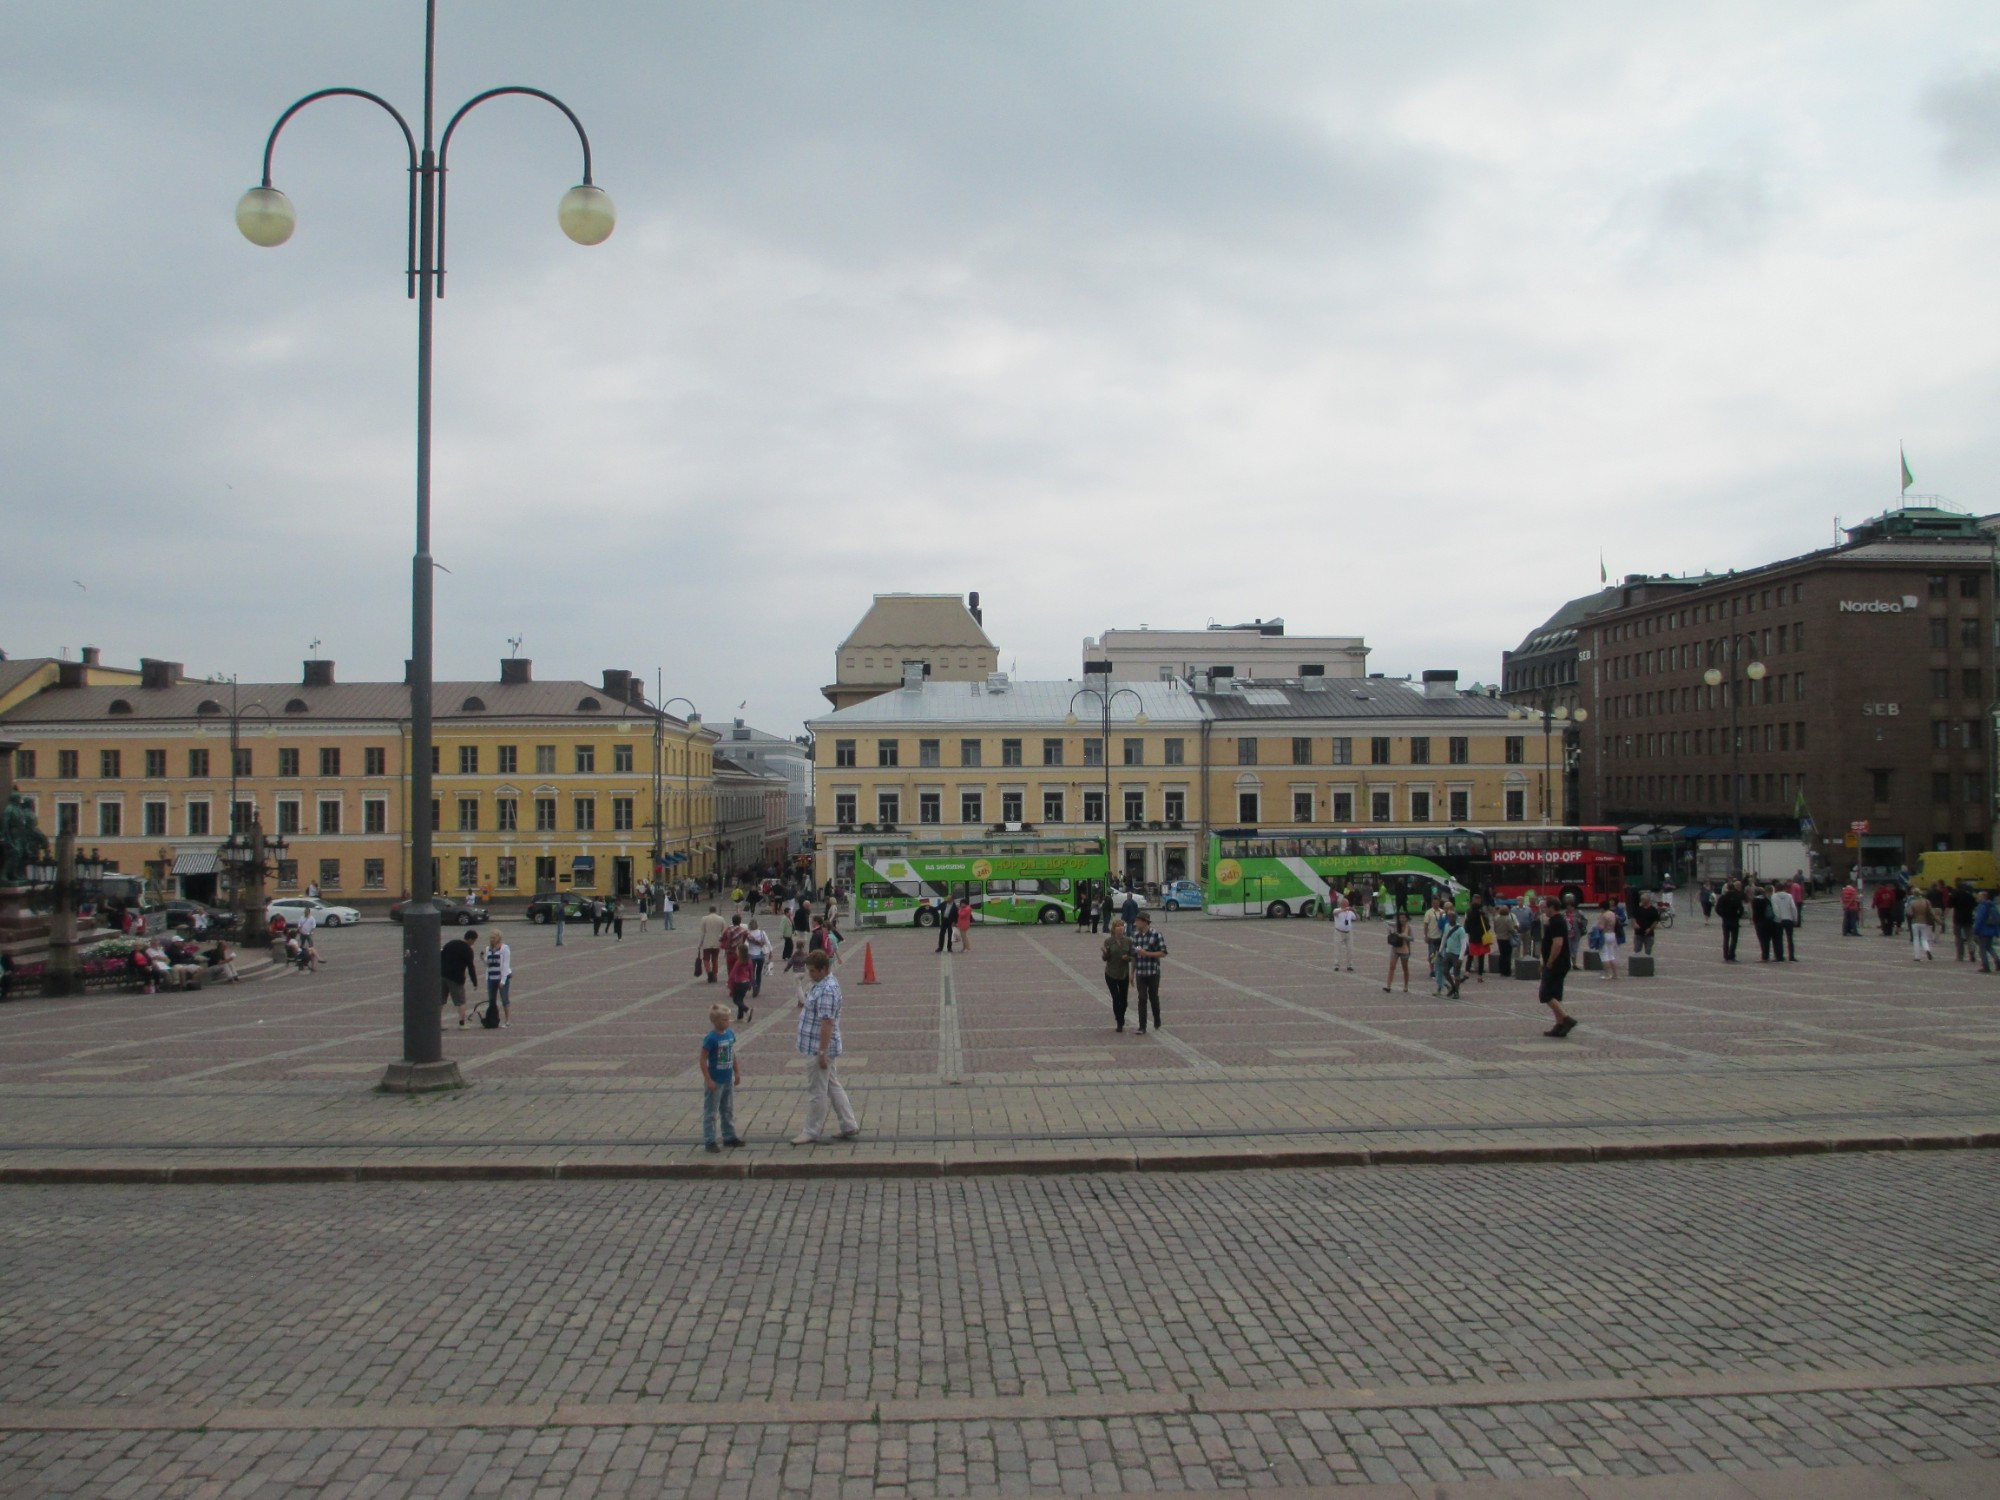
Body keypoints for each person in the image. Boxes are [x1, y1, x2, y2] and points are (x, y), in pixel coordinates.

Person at [792, 951, 860, 1144]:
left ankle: (811, 1131)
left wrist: (822, 1052)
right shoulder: (820, 984)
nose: (810, 974)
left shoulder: (826, 990)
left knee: (817, 1091)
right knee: (832, 1085)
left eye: (813, 970)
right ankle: (849, 1124)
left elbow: (827, 1022)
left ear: (824, 969)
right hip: (817, 1046)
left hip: (819, 1048)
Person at [700, 1002, 745, 1152]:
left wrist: (737, 1072)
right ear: (716, 1021)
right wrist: (708, 1079)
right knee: (711, 1112)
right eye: (725, 1019)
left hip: (727, 1079)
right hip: (715, 1080)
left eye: (728, 1019)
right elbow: (702, 1059)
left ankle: (729, 1136)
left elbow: (732, 1054)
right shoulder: (711, 1038)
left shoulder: (730, 1034)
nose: (728, 1022)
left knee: (727, 1109)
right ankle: (710, 1140)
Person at [1538, 897, 1577, 1037]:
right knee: (1555, 995)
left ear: (1552, 907)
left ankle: (1567, 1019)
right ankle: (1560, 1025)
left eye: (1545, 907)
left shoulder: (1556, 922)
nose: (1543, 909)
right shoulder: (1556, 921)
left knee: (1545, 994)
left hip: (1557, 963)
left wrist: (1549, 962)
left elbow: (1558, 944)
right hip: (1558, 962)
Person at [1130, 912, 1167, 1032]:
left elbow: (1163, 953)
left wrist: (1147, 954)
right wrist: (1132, 973)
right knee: (1142, 998)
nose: (1136, 923)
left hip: (1153, 972)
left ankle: (1157, 1020)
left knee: (1153, 998)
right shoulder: (1135, 936)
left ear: (1144, 922)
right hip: (1140, 973)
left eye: (1138, 921)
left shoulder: (1156, 935)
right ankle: (1142, 1026)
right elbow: (1134, 956)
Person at [1102, 918, 1134, 1031]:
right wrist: (1105, 953)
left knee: (1124, 1000)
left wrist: (1128, 958)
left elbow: (1133, 956)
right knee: (1116, 997)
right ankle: (1119, 1021)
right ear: (1114, 929)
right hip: (1111, 973)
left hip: (1123, 973)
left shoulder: (1128, 941)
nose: (1120, 928)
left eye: (1122, 926)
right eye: (1118, 926)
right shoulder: (1108, 941)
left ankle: (1121, 1015)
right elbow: (1105, 959)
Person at [442, 928, 477, 1026]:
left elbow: (440, 955)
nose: (473, 943)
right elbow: (471, 967)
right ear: (470, 939)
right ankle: (462, 1023)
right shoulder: (468, 950)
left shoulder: (451, 944)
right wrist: (474, 982)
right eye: (474, 941)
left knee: (440, 1000)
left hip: (443, 975)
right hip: (456, 978)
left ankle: (437, 1023)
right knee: (461, 1001)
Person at [484, 930, 513, 1026]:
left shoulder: (505, 948)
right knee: (492, 1000)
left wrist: (503, 980)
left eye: (494, 937)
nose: (492, 940)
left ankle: (508, 1020)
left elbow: (505, 965)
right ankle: (493, 1020)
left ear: (499, 938)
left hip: (501, 977)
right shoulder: (488, 948)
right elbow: (488, 963)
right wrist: (483, 959)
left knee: (504, 999)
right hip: (491, 977)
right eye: (491, 938)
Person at [1437, 914, 1467, 998]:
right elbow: (1444, 938)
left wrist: (1461, 957)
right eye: (1449, 917)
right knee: (1445, 971)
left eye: (1453, 917)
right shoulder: (1446, 926)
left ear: (1456, 918)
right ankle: (1453, 986)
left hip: (1456, 954)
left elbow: (1463, 944)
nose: (1451, 918)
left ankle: (1456, 991)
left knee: (1456, 974)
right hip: (1448, 952)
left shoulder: (1460, 930)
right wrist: (1440, 950)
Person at [1715, 881, 1745, 962]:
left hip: (1726, 920)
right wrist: (1738, 916)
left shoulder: (1723, 897)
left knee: (1726, 938)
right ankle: (1732, 955)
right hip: (1734, 919)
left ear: (1727, 888)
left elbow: (1717, 909)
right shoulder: (1737, 897)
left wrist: (1722, 915)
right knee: (1734, 939)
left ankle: (1726, 955)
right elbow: (1741, 909)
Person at [1463, 898, 1491, 982]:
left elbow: (1466, 928)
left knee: (1470, 956)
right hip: (1481, 939)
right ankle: (1480, 976)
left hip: (1472, 938)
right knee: (1481, 958)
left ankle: (1467, 972)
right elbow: (1487, 926)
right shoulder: (1481, 915)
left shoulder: (1469, 915)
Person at [1383, 912, 1412, 994]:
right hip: (1395, 949)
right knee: (1392, 966)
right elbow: (1386, 923)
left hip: (1404, 950)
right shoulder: (1396, 925)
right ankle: (1388, 986)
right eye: (1400, 918)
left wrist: (1403, 936)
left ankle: (1406, 985)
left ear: (1406, 918)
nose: (1402, 919)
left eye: (1403, 918)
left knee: (1405, 968)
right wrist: (1391, 932)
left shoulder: (1408, 927)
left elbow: (1412, 938)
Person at [1770, 883, 1799, 961]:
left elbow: (1775, 908)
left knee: (1778, 939)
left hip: (1779, 920)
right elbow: (1793, 908)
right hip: (1788, 919)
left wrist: (1778, 918)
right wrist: (1795, 918)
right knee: (1790, 939)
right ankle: (1791, 956)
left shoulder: (1774, 896)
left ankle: (1780, 956)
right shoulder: (1789, 896)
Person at [1907, 888, 1937, 962]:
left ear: (1914, 894)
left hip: (1915, 922)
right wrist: (1937, 919)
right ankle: (1927, 949)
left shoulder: (1913, 902)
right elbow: (1931, 912)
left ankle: (1917, 956)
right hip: (1925, 921)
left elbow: (1910, 913)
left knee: (1916, 939)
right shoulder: (1926, 901)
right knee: (1924, 938)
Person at [1974, 890, 2000, 973]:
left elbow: (1979, 919)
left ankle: (1986, 966)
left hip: (1983, 930)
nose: (1978, 898)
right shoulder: (1992, 906)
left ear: (1983, 897)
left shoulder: (1983, 906)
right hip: (1991, 930)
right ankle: (1997, 961)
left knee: (1982, 949)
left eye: (1979, 896)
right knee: (1989, 947)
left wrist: (1976, 930)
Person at [746, 919, 773, 999]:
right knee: (759, 972)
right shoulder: (762, 932)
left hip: (751, 954)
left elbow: (745, 943)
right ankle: (758, 987)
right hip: (761, 954)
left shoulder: (748, 934)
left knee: (751, 972)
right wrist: (771, 951)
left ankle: (754, 985)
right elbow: (768, 942)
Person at [1595, 902, 1621, 980]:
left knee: (1604, 955)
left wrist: (1596, 926)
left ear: (1602, 908)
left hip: (1605, 935)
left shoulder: (1603, 915)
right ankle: (1615, 974)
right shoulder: (1613, 914)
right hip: (1612, 934)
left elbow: (1601, 927)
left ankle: (1607, 974)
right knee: (1612, 955)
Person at [699, 906, 725, 982]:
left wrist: (699, 944)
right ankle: (715, 975)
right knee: (715, 959)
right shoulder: (721, 919)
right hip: (717, 942)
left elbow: (702, 932)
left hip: (707, 942)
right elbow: (724, 931)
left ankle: (709, 972)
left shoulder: (704, 919)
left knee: (706, 959)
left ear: (709, 910)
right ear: (715, 910)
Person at [1491, 902, 1518, 978]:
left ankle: (1501, 970)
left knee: (1502, 954)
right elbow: (1511, 929)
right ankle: (1507, 971)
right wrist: (1515, 931)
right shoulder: (1508, 919)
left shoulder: (1496, 918)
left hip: (1499, 938)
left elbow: (1495, 928)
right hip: (1507, 938)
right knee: (1507, 955)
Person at [1951, 885, 1977, 961]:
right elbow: (1974, 905)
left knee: (1958, 938)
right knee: (1970, 937)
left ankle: (1960, 955)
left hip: (1958, 918)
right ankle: (1971, 951)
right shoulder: (1970, 896)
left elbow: (1951, 904)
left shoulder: (1955, 895)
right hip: (1968, 918)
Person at [1750, 883, 1775, 962]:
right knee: (1767, 939)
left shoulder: (1754, 901)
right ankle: (1766, 955)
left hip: (1758, 921)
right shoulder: (1766, 900)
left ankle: (1764, 955)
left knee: (1761, 939)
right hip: (1767, 921)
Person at [1331, 896, 1356, 971]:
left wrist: (1354, 911)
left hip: (1348, 932)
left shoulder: (1350, 912)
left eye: (1347, 904)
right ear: (1342, 904)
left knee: (1350, 949)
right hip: (1339, 932)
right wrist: (1343, 910)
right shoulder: (1337, 910)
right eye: (1345, 904)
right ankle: (1336, 965)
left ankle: (1349, 965)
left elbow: (1356, 918)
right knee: (1337, 949)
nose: (1347, 906)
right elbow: (1334, 913)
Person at [1631, 892, 1659, 957]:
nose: (1642, 901)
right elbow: (1634, 917)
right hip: (1638, 933)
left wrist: (1650, 929)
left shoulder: (1653, 910)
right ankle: (1637, 964)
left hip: (1649, 934)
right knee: (1637, 950)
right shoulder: (1638, 909)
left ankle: (1647, 964)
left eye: (1643, 900)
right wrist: (1635, 923)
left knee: (1648, 951)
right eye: (1642, 899)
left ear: (1647, 900)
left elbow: (1656, 921)